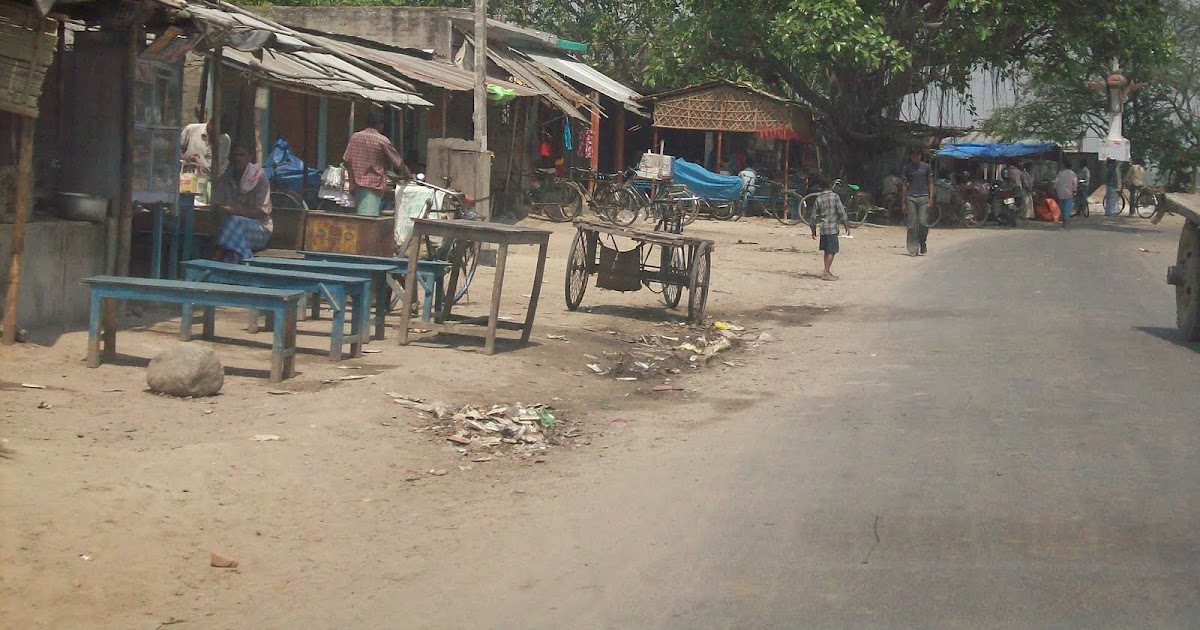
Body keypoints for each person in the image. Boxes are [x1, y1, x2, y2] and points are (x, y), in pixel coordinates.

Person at [212, 146, 272, 263]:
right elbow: (218, 203)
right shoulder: (226, 178)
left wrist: (234, 211)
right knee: (230, 226)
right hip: (230, 230)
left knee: (234, 221)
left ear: (249, 157)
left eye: (241, 155)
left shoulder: (259, 178)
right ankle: (241, 259)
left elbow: (261, 212)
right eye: (234, 155)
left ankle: (218, 254)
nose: (237, 159)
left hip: (260, 230)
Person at [343, 113, 408, 216]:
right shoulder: (381, 140)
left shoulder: (355, 137)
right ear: (380, 125)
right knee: (368, 220)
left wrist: (352, 177)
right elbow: (397, 161)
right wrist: (407, 173)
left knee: (360, 217)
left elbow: (346, 159)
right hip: (372, 185)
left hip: (356, 184)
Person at [809, 175, 850, 281]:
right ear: (831, 185)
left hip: (823, 229)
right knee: (832, 251)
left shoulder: (818, 198)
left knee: (827, 251)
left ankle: (827, 270)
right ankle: (826, 272)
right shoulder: (835, 197)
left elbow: (813, 216)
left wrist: (813, 229)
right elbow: (841, 211)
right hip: (832, 229)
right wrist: (846, 224)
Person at [901, 149, 934, 256]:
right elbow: (904, 185)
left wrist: (931, 198)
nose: (915, 157)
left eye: (917, 155)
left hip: (923, 197)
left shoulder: (926, 167)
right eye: (913, 155)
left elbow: (930, 183)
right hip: (911, 197)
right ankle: (913, 248)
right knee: (912, 224)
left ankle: (922, 241)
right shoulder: (907, 168)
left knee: (923, 222)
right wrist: (903, 202)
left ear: (920, 156)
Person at [1054, 161, 1078, 228]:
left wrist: (1054, 188)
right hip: (1069, 192)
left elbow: (1056, 182)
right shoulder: (1073, 174)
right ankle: (1065, 219)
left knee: (1062, 206)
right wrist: (1075, 190)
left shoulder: (1060, 173)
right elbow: (1074, 183)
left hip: (1060, 191)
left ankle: (1063, 218)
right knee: (1067, 206)